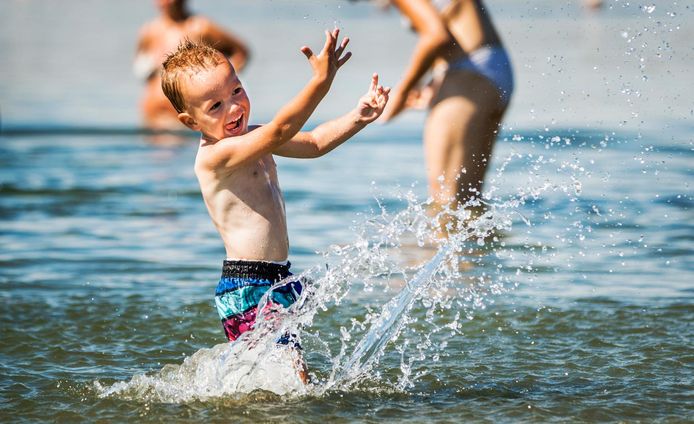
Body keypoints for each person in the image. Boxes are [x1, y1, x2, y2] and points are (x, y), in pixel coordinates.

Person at [160, 29, 389, 383]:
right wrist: (321, 82)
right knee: (292, 378)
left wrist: (358, 116)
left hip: (277, 276)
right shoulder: (215, 157)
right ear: (191, 121)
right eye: (215, 106)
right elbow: (281, 129)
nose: (233, 107)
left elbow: (314, 143)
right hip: (246, 285)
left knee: (288, 379)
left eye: (236, 91)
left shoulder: (254, 136)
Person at [378, 0, 513, 220]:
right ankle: (481, 245)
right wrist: (438, 78)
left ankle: (443, 243)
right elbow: (453, 28)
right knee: (468, 199)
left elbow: (436, 35)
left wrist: (401, 93)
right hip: (489, 66)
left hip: (469, 74)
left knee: (445, 200)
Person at [135, 0, 249, 130]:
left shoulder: (200, 26)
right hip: (153, 113)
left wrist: (226, 86)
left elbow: (241, 53)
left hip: (186, 119)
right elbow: (141, 66)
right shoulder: (149, 31)